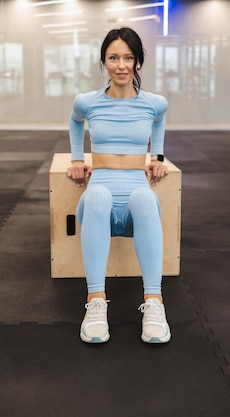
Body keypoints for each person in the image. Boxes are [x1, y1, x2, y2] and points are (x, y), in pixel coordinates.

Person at [66, 27, 171, 344]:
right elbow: (74, 121)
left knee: (143, 195)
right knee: (96, 193)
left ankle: (154, 303)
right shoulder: (88, 102)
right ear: (104, 61)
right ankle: (95, 303)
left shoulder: (154, 103)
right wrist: (75, 157)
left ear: (138, 61)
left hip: (138, 210)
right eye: (114, 58)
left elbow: (160, 122)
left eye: (128, 57)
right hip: (99, 210)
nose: (121, 65)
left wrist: (158, 156)